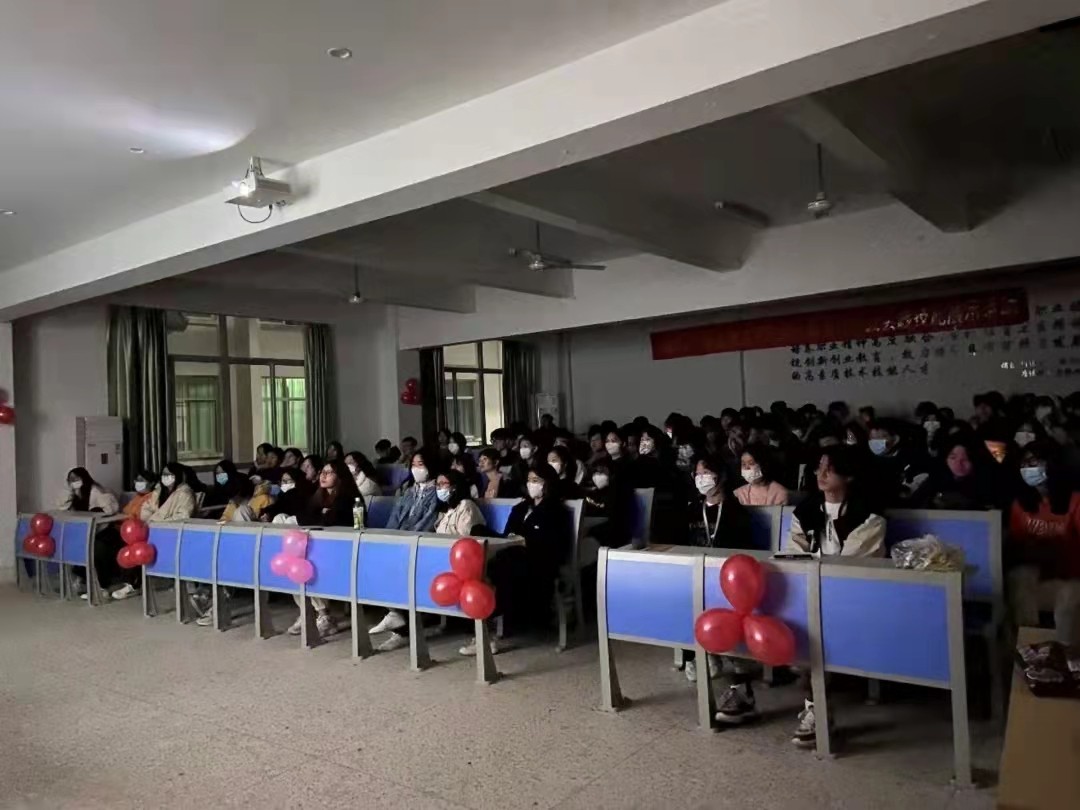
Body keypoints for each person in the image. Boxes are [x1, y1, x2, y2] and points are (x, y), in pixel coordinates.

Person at [786, 446, 886, 748]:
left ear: (850, 475)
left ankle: (817, 709)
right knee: (798, 626)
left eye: (830, 468)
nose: (821, 473)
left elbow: (851, 568)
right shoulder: (805, 511)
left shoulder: (869, 517)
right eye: (819, 467)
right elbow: (793, 555)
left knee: (813, 633)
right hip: (811, 592)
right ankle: (815, 705)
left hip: (854, 597)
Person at [464, 463, 570, 655]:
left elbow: (557, 546)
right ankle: (484, 626)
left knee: (504, 565)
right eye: (529, 480)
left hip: (538, 560)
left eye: (536, 480)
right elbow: (507, 534)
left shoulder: (556, 511)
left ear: (547, 483)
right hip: (510, 554)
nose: (531, 484)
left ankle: (488, 632)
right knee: (480, 535)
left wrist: (526, 541)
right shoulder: (521, 507)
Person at [1007, 443, 1080, 645]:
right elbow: (1018, 544)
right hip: (1041, 577)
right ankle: (1032, 648)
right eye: (1024, 463)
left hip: (1073, 577)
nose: (1028, 468)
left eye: (1034, 462)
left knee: (1068, 597)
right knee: (1019, 578)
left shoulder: (1075, 501)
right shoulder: (1020, 504)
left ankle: (1067, 654)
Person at [369, 450, 442, 651]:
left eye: (421, 464)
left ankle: (400, 627)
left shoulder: (438, 491)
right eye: (414, 465)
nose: (416, 469)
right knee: (374, 561)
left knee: (399, 569)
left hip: (422, 544)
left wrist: (405, 541)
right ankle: (395, 613)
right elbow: (395, 516)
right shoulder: (409, 491)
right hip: (400, 541)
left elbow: (428, 521)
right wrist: (388, 538)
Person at [286, 459, 362, 637]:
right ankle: (307, 612)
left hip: (343, 552)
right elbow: (304, 518)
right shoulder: (318, 496)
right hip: (319, 549)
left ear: (340, 476)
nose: (323, 476)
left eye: (329, 473)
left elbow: (333, 523)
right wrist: (321, 515)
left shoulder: (349, 499)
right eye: (322, 472)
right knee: (294, 564)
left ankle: (324, 616)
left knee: (308, 566)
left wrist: (322, 516)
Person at [60, 468, 122, 599]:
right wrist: (70, 493)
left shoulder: (96, 491)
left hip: (104, 531)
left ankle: (102, 586)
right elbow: (62, 508)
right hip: (86, 531)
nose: (73, 482)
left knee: (97, 549)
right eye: (70, 480)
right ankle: (83, 579)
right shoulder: (75, 494)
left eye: (76, 479)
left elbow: (111, 509)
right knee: (75, 546)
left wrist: (97, 511)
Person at [911, 436, 1006, 511]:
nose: (958, 464)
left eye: (965, 459)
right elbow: (914, 505)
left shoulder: (987, 484)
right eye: (953, 457)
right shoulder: (935, 479)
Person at [584, 458, 634, 548]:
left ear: (612, 474)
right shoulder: (591, 494)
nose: (597, 476)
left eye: (601, 473)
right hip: (593, 534)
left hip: (611, 539)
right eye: (595, 473)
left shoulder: (619, 495)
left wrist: (590, 530)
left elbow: (616, 522)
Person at [433, 470, 486, 536]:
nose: (438, 488)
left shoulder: (466, 505)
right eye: (437, 484)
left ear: (454, 486)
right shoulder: (444, 509)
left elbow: (464, 537)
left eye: (442, 483)